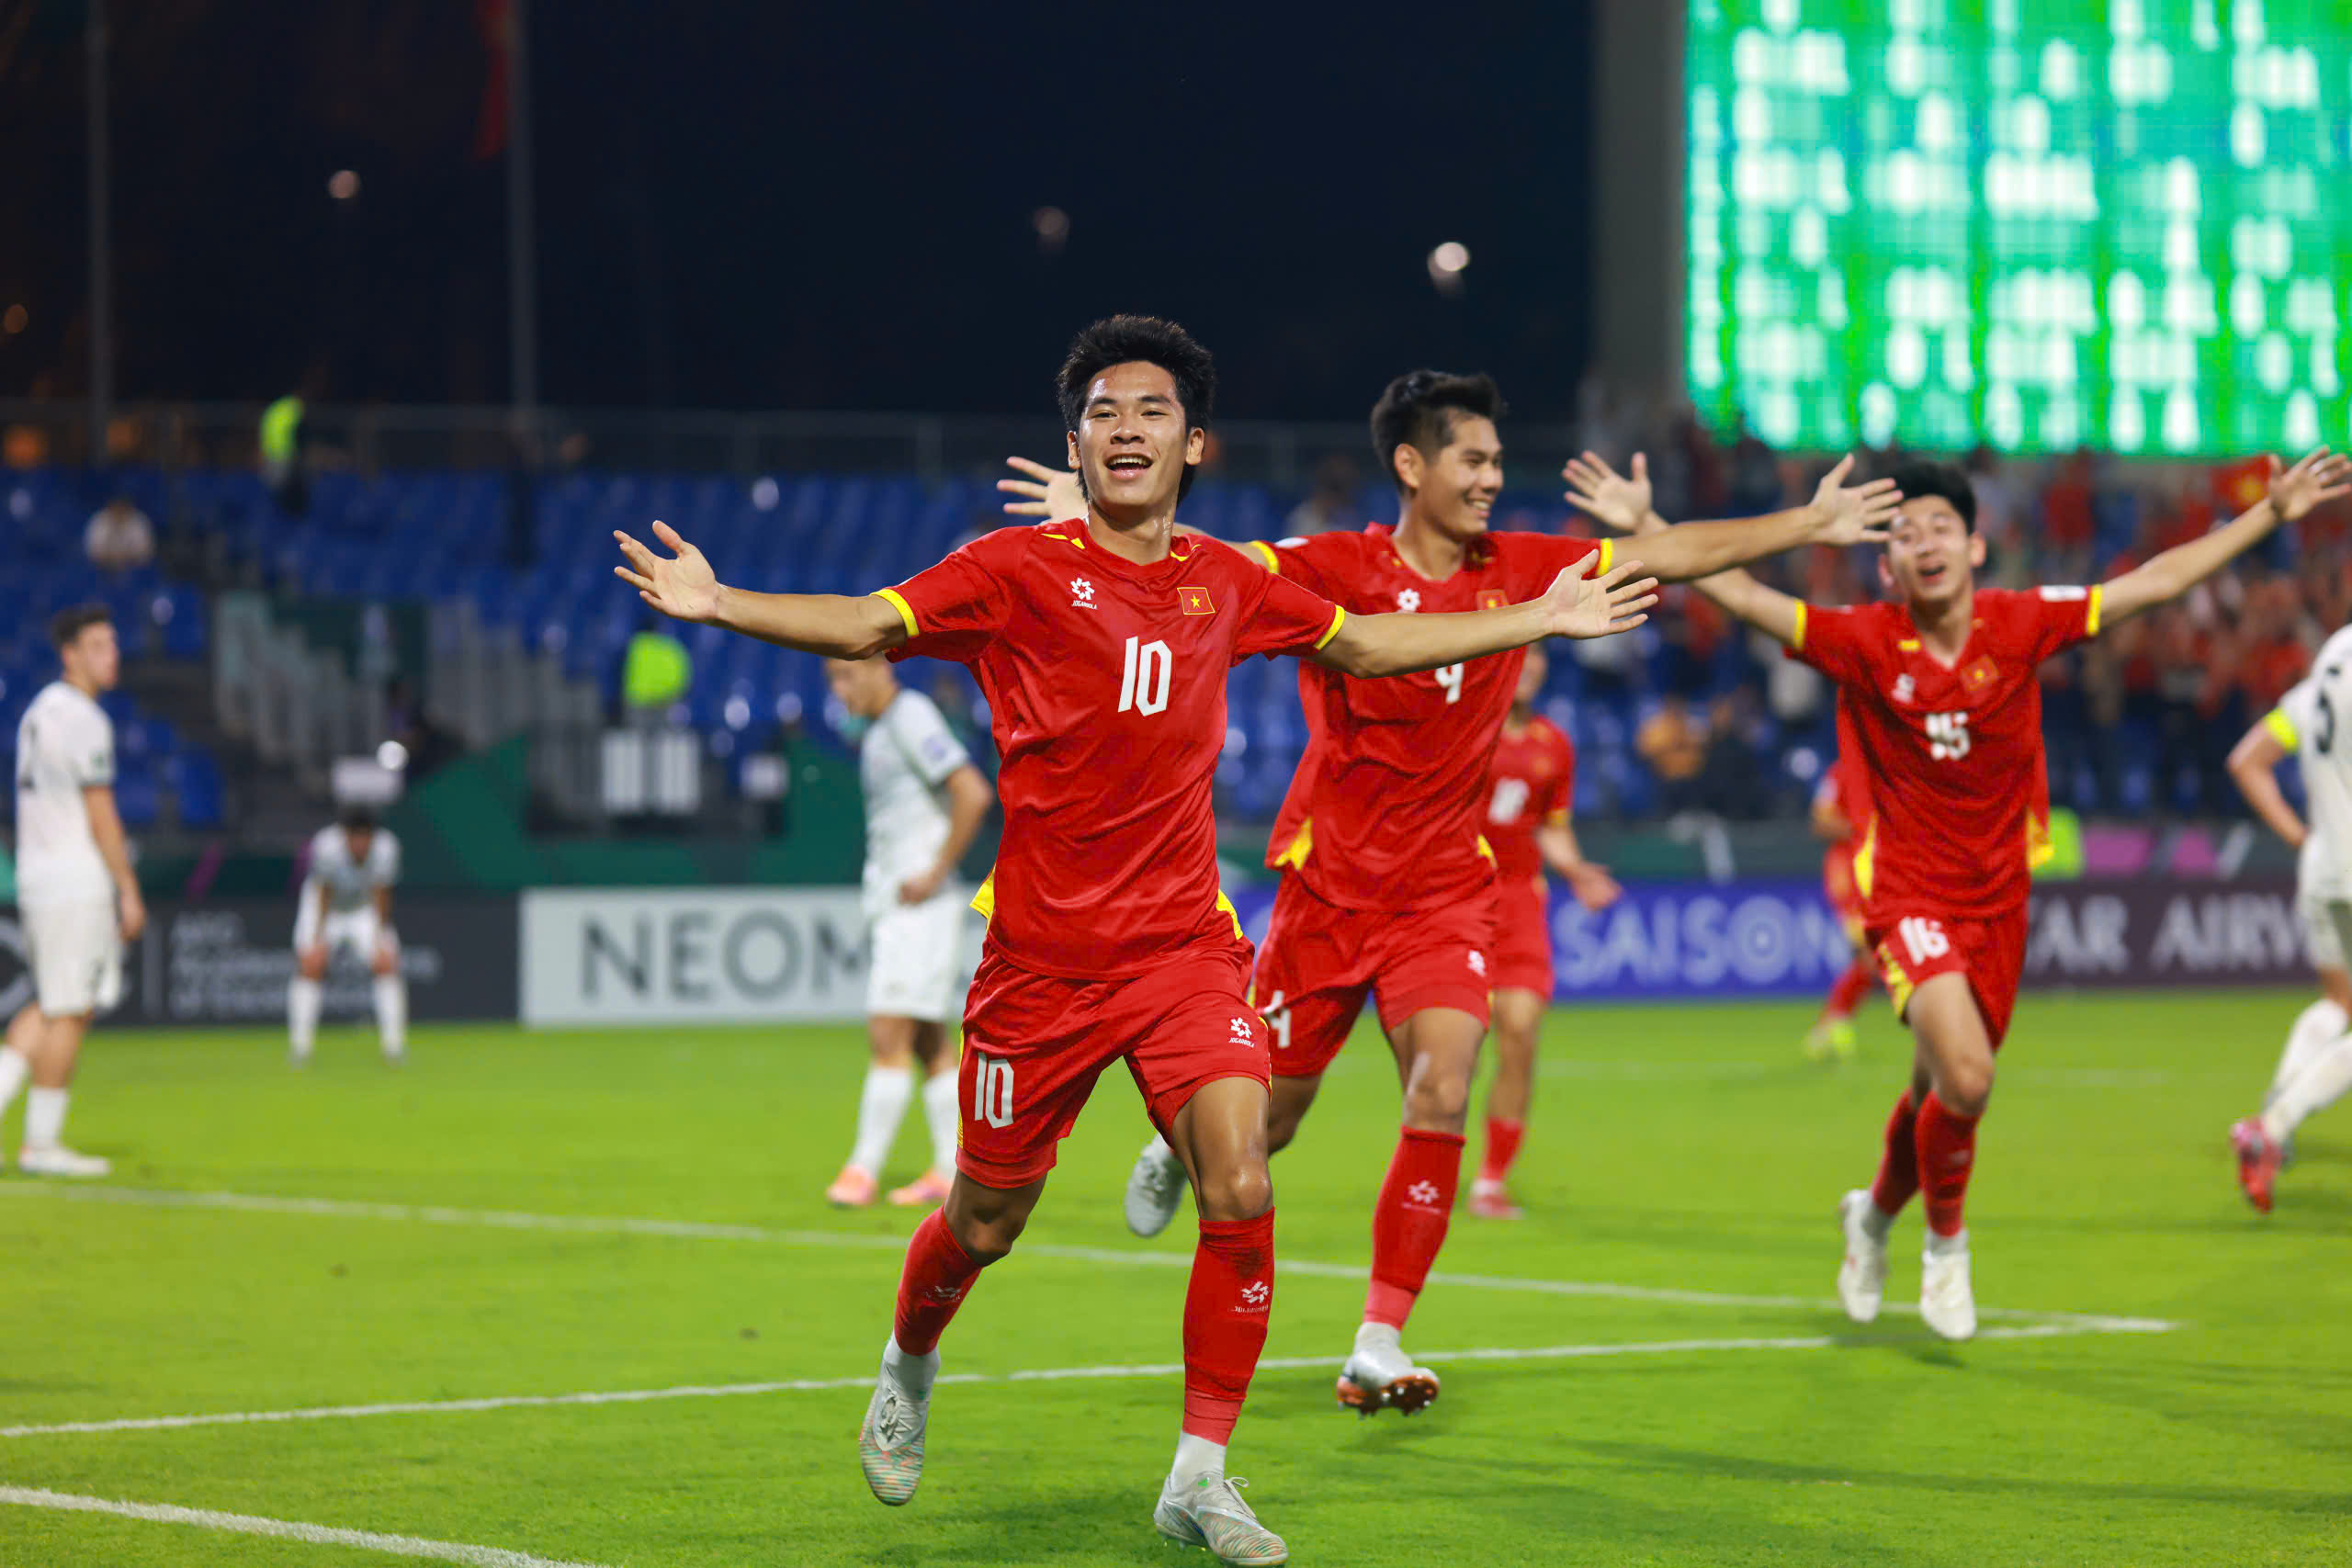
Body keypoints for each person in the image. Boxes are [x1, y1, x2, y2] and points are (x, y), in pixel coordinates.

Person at [614, 316, 1657, 1564]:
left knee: (1243, 1179)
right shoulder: (1012, 570)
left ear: (1193, 443)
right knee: (984, 1220)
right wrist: (716, 601)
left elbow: (1369, 643)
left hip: (1182, 953)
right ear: (1076, 444)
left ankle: (1198, 1476)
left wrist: (1537, 616)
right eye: (1102, 411)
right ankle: (909, 1360)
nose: (1124, 427)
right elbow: (861, 626)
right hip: (1039, 968)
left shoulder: (1227, 579)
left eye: (1152, 409)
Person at [1058, 368, 1900, 1417]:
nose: (1493, 478)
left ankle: (1378, 1338)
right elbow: (1215, 567)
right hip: (1329, 892)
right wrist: (1105, 526)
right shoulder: (1340, 565)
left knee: (1444, 1085)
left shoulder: (1523, 567)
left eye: (1498, 460)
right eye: (1473, 459)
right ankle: (1172, 1148)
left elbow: (1671, 554)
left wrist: (1807, 522)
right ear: (1412, 466)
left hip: (1446, 895)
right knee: (1273, 1120)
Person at [1565, 444, 2352, 1338]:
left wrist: (2268, 514)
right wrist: (1646, 525)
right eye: (1904, 533)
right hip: (1906, 895)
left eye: (1941, 526)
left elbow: (2156, 581)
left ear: (1976, 547)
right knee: (1969, 1077)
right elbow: (1743, 596)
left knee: (1935, 1093)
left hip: (1998, 904)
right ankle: (1945, 1246)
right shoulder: (1866, 640)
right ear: (1885, 565)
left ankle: (1871, 1218)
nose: (1925, 542)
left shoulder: (2021, 623)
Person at [821, 652, 996, 1210]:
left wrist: (935, 871)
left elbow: (972, 791)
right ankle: (950, 1171)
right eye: (833, 679)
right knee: (927, 1042)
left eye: (846, 675)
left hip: (919, 910)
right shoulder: (879, 730)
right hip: (898, 908)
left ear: (880, 667)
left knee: (887, 1034)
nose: (840, 690)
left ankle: (862, 1170)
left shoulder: (910, 716)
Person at [1469, 639, 1622, 1219]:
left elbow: (1550, 825)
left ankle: (1491, 1178)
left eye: (1538, 657)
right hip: (1455, 896)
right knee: (1452, 1048)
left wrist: (1577, 871)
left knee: (1521, 1031)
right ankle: (1429, 1162)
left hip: (1518, 901)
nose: (1529, 665)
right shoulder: (1465, 728)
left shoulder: (1553, 744)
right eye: (1520, 654)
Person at [0, 605, 144, 1175]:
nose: (112, 655)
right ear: (70, 654)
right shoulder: (84, 718)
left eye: (113, 643)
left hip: (38, 874)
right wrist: (127, 888)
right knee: (70, 1010)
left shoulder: (38, 711)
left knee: (46, 1006)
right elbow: (100, 812)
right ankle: (41, 1145)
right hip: (72, 878)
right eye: (98, 645)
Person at [2222, 628, 2352, 1212]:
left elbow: (2247, 761)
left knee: (2340, 1003)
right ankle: (2272, 1127)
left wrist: (2302, 839)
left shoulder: (2322, 676)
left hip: (2323, 866)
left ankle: (2279, 1105)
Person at [288, 807, 406, 1066]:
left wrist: (380, 937)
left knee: (386, 963)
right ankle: (300, 1049)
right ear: (346, 837)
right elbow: (324, 891)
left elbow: (382, 893)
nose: (361, 845)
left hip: (364, 908)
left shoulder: (387, 847)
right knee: (310, 965)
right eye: (356, 838)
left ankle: (394, 1048)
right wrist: (318, 938)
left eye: (366, 838)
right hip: (324, 908)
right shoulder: (326, 846)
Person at [1802, 739, 1876, 1062]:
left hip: (1880, 870)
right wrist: (1861, 830)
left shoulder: (1888, 771)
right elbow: (1820, 821)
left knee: (1874, 958)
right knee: (1870, 954)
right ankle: (1831, 1023)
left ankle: (1833, 1021)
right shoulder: (1840, 773)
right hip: (1848, 872)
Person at [84, 497, 155, 576]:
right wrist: (113, 559)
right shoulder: (100, 520)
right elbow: (93, 552)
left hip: (134, 569)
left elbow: (145, 552)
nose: (120, 513)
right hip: (104, 567)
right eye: (117, 510)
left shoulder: (139, 521)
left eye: (123, 510)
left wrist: (123, 558)